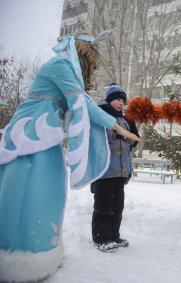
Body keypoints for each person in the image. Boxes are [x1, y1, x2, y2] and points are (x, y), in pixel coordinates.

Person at [0, 31, 140, 282]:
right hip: (31, 137)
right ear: (83, 54)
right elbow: (81, 102)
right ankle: (19, 253)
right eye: (93, 62)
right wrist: (117, 127)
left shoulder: (67, 71)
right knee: (31, 192)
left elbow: (81, 101)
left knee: (50, 195)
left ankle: (42, 250)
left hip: (47, 138)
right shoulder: (59, 65)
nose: (94, 68)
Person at [91, 83, 139, 251]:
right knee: (104, 205)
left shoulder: (125, 121)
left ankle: (113, 236)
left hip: (121, 171)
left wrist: (129, 136)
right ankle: (101, 238)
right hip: (105, 170)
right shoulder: (100, 116)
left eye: (123, 100)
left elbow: (133, 141)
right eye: (117, 99)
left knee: (117, 207)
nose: (121, 103)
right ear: (109, 100)